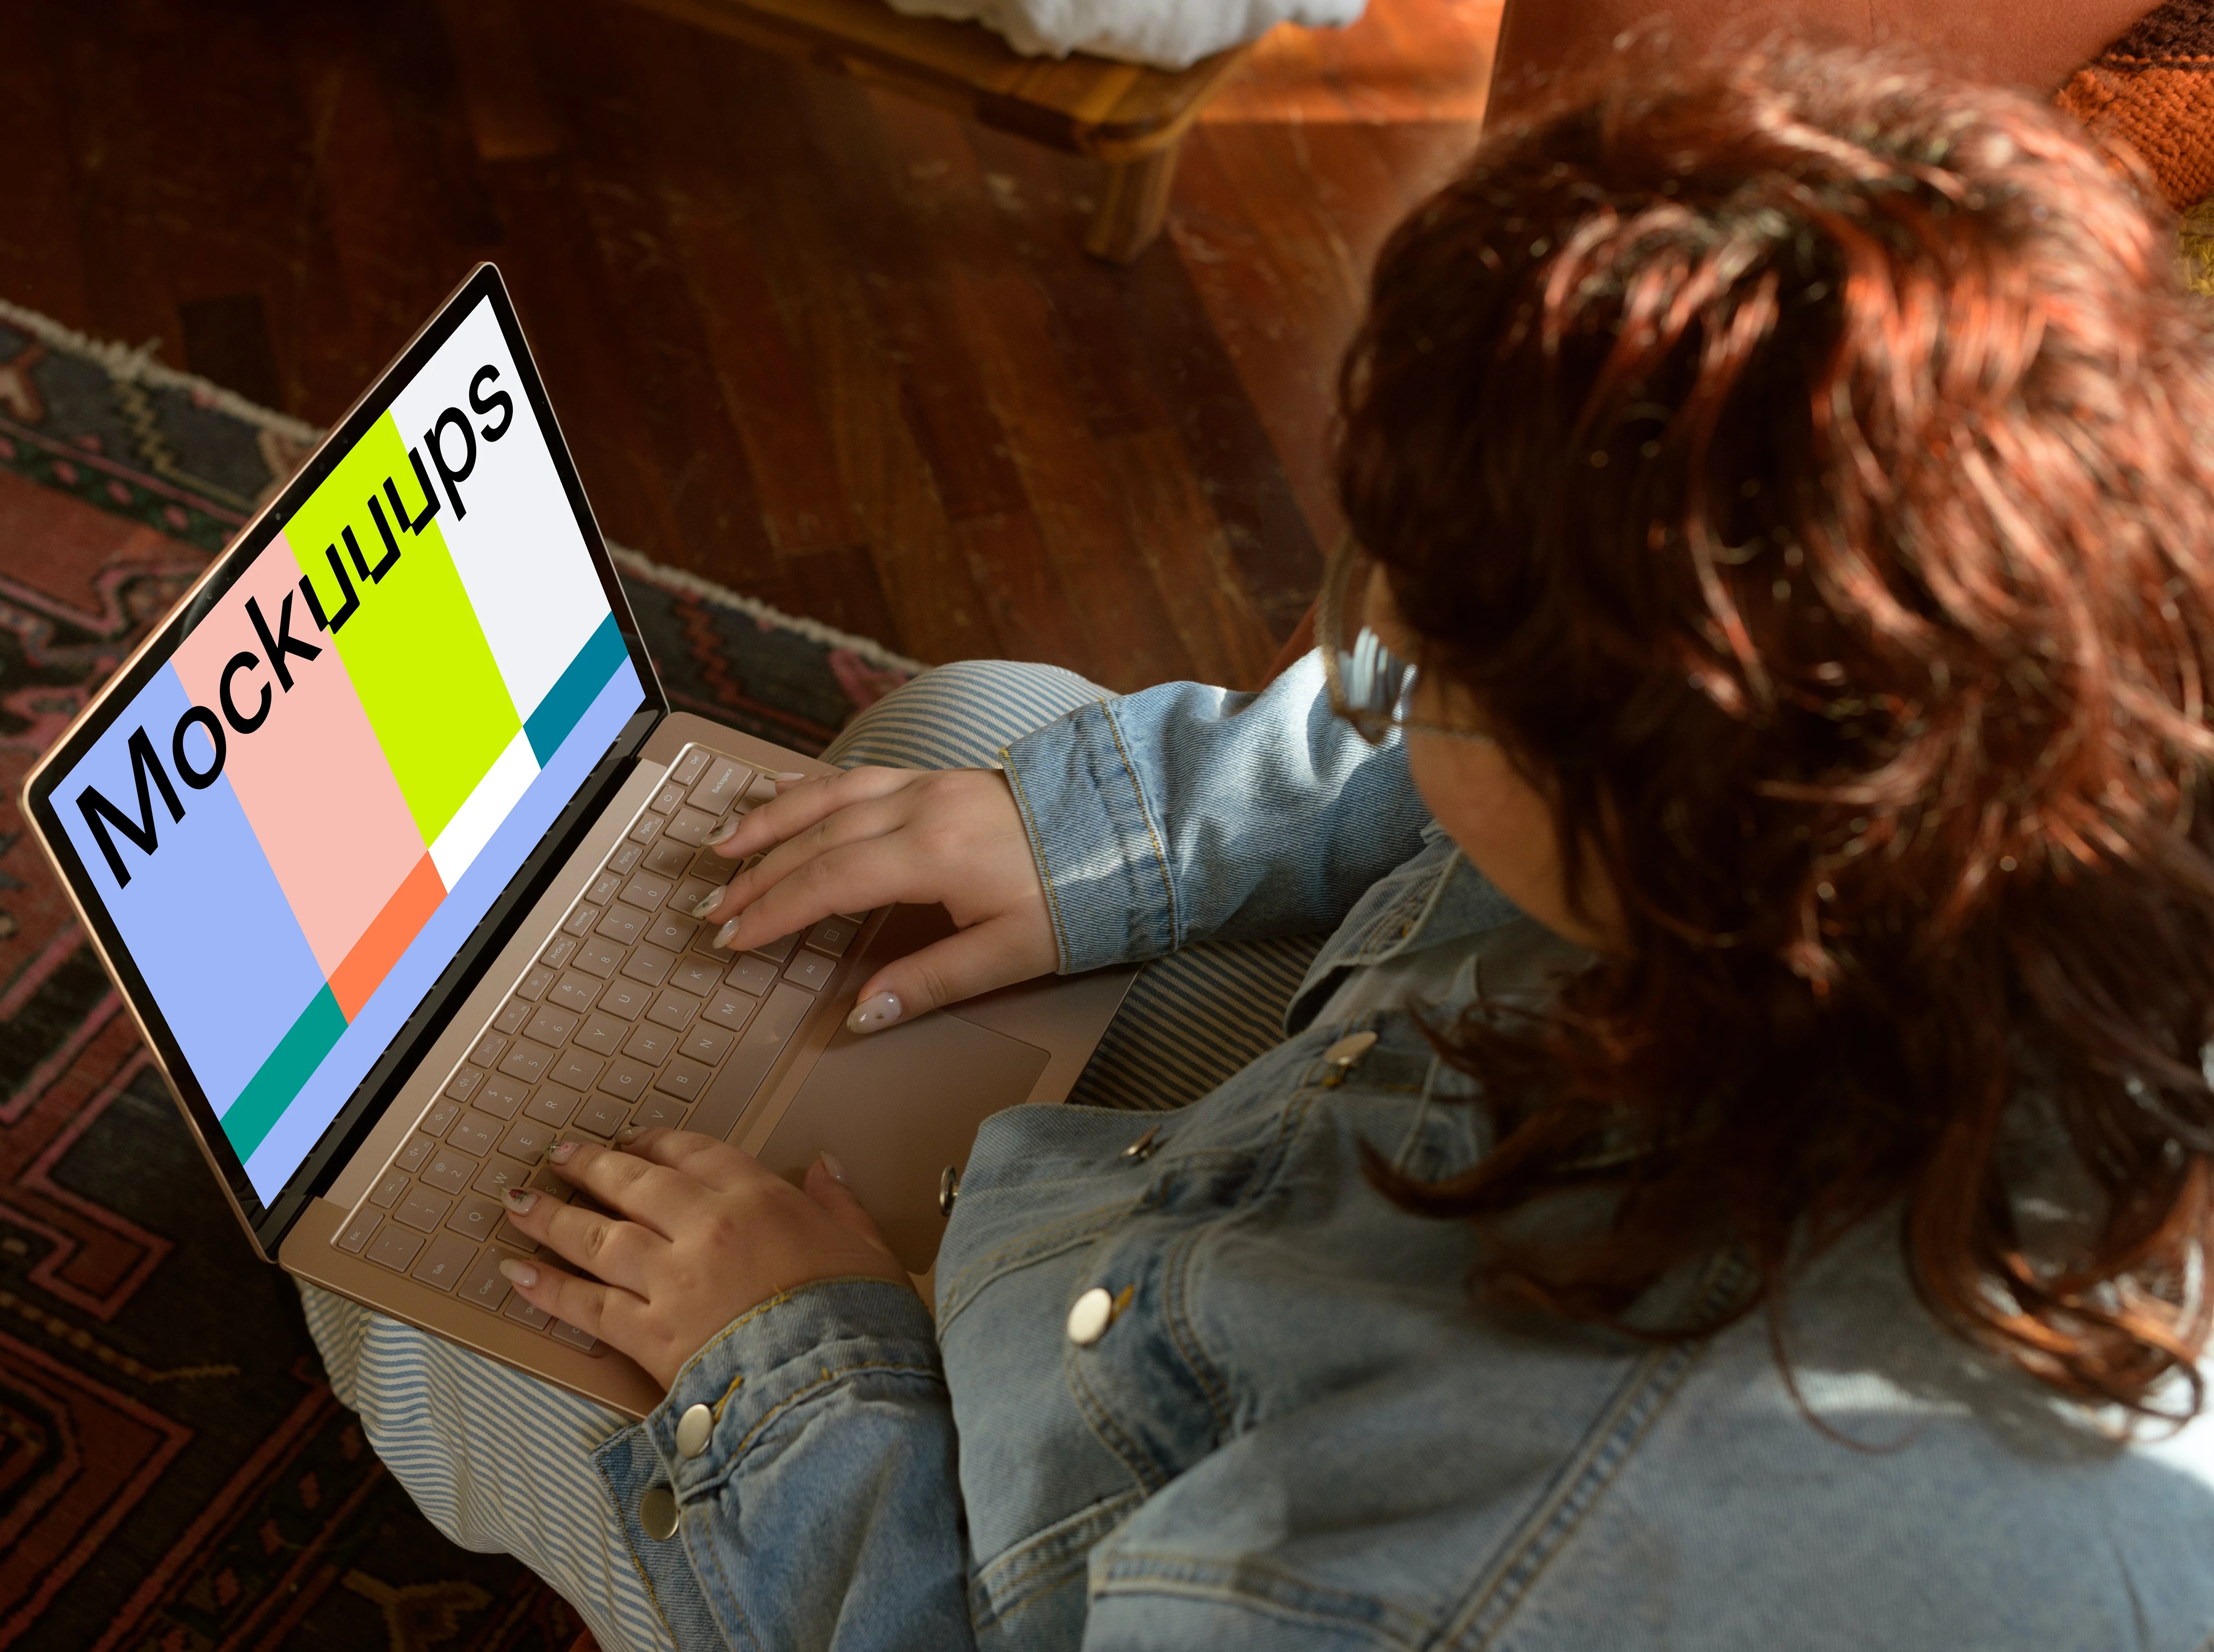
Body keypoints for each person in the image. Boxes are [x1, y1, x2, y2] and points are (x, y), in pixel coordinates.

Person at [305, 38, 2214, 1650]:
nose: (1360, 673)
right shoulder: (2031, 730)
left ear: (1661, 813)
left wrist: (792, 1372)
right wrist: (1102, 833)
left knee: (393, 1297)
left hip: (1075, 1562)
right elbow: (1404, 765)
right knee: (982, 733)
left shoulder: (1488, 1536)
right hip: (1253, 1265)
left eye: (1427, 663)